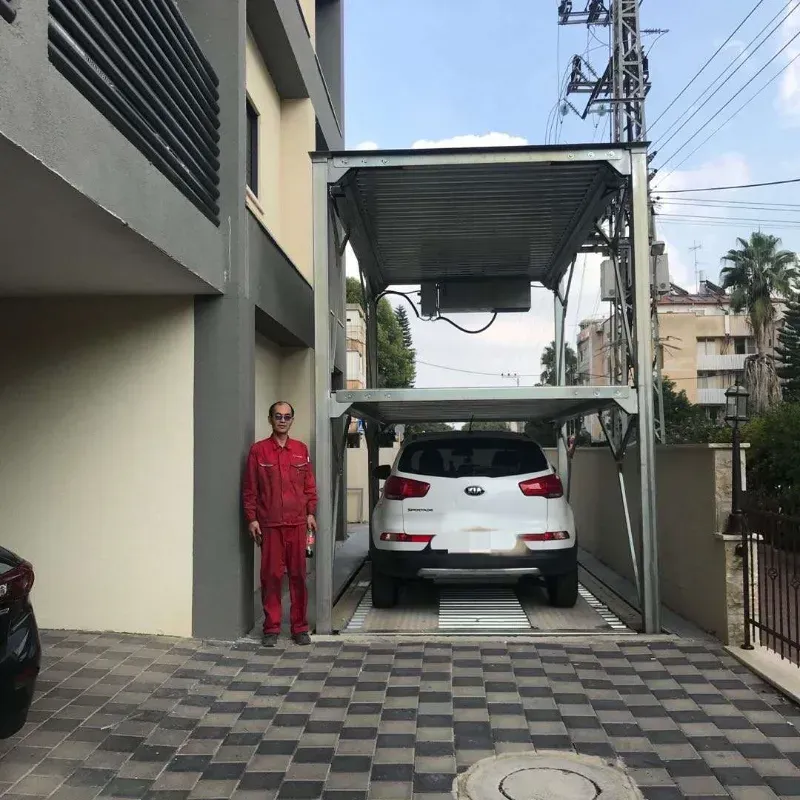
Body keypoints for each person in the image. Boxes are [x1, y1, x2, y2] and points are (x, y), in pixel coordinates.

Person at [242, 401, 318, 647]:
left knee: (298, 577)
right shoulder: (259, 451)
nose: (282, 420)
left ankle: (299, 628)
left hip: (297, 524)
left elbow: (309, 486)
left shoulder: (300, 449)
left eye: (287, 417)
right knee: (271, 577)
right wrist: (252, 518)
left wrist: (310, 513)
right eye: (278, 416)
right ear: (270, 419)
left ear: (292, 420)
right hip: (270, 524)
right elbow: (250, 489)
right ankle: (271, 628)